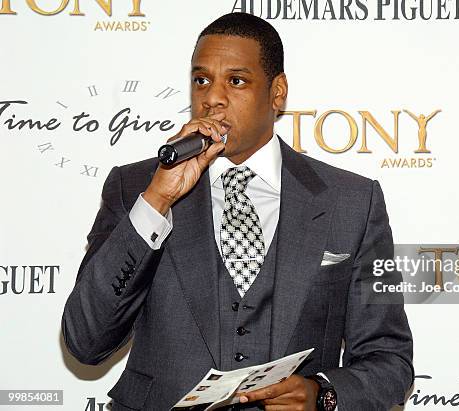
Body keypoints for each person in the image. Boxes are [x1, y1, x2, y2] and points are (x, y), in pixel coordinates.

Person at [62, 12, 414, 411]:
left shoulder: (350, 200)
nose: (212, 97)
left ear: (277, 92)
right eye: (201, 80)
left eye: (236, 81)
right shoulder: (135, 188)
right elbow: (85, 341)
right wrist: (157, 201)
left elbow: (389, 360)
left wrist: (323, 395)